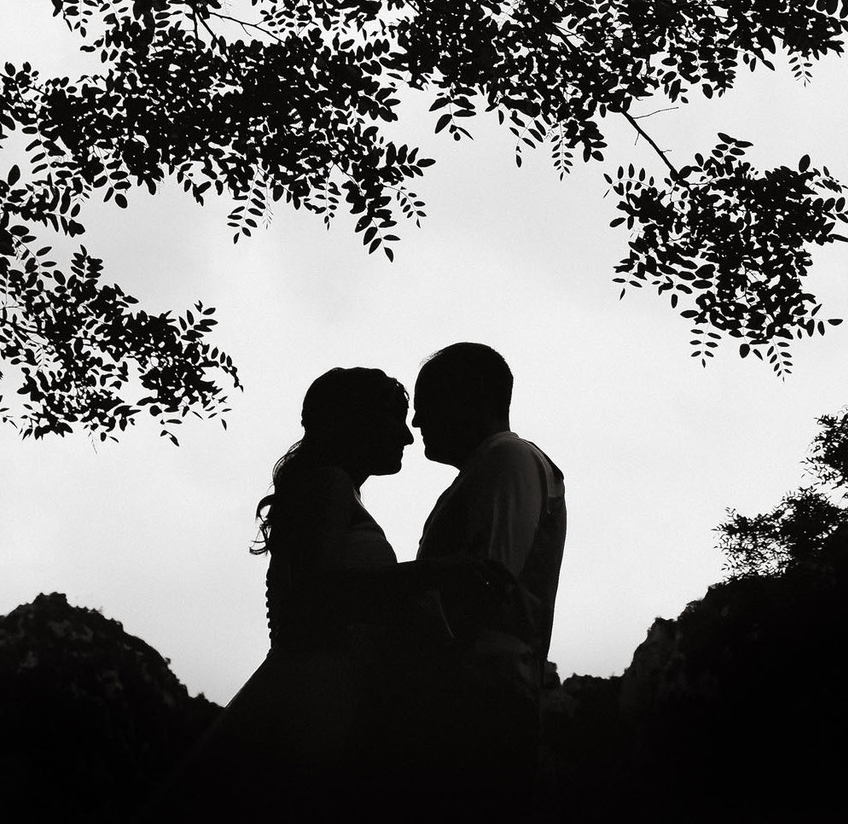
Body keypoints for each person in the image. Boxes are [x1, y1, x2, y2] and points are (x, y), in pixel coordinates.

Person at [139, 367, 495, 823]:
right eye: (395, 418)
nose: (407, 438)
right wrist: (436, 573)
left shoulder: (329, 488)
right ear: (356, 420)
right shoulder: (328, 484)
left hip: (327, 690)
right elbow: (315, 594)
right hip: (314, 694)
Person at [411, 343, 567, 811]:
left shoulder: (507, 460)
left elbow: (487, 580)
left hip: (481, 707)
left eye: (426, 405)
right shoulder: (487, 469)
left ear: (471, 398)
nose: (417, 423)